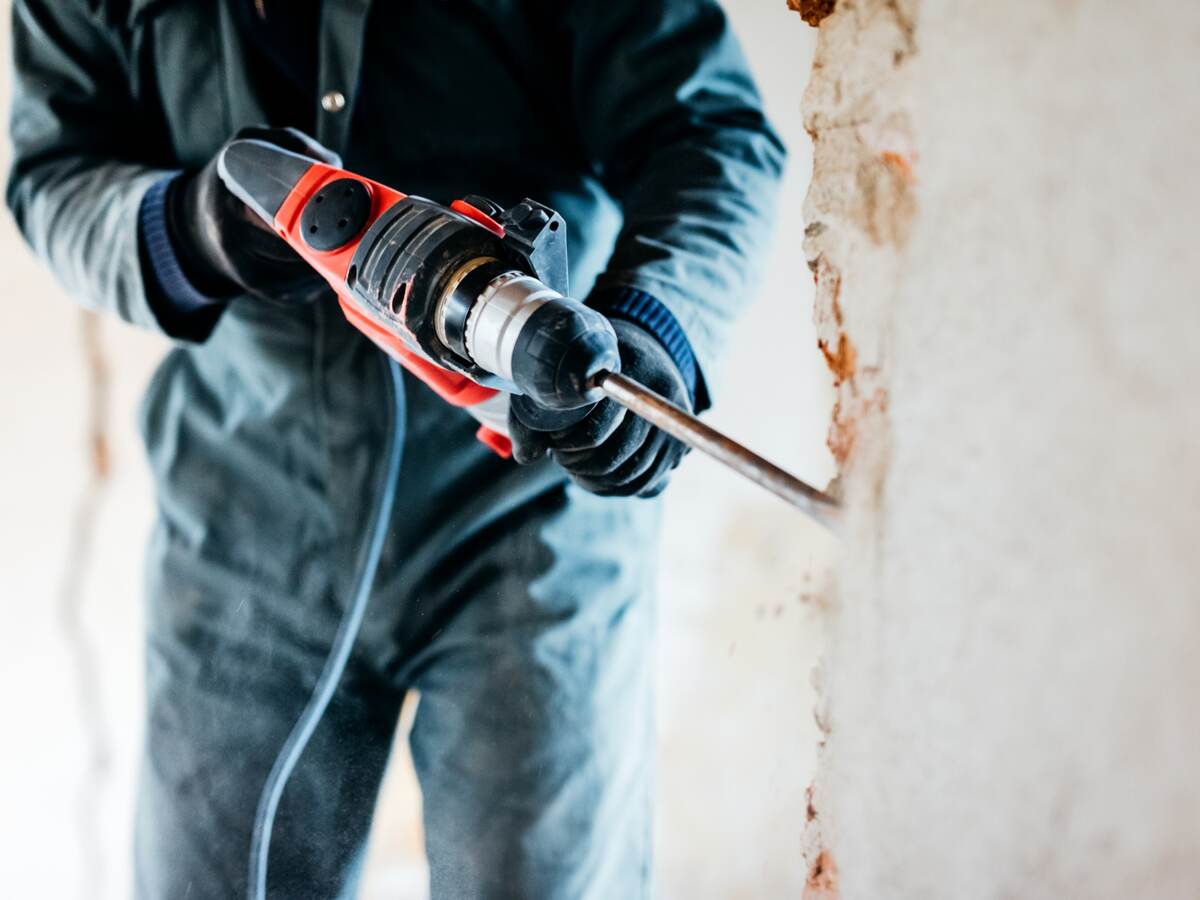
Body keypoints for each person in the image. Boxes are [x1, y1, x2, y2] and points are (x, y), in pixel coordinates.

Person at [7, 0, 784, 896]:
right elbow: (55, 173)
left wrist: (657, 329)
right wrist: (185, 230)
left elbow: (708, 131)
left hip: (528, 526)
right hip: (241, 521)